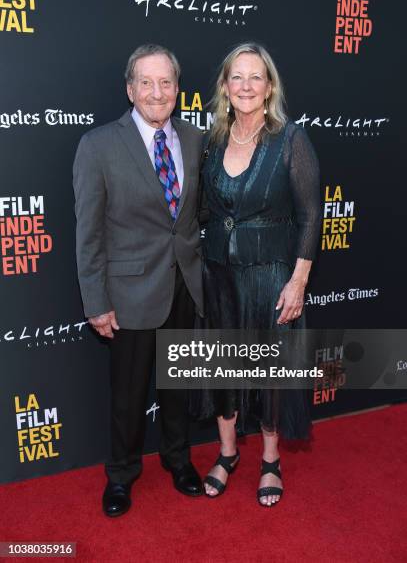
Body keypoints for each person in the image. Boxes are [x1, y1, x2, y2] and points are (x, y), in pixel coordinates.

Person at [73, 44, 204, 517]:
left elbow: (193, 215)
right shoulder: (98, 145)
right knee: (128, 397)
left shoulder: (194, 139)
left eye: (166, 82)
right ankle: (121, 475)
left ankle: (178, 461)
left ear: (177, 89)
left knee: (179, 387)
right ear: (130, 89)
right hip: (127, 293)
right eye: (146, 82)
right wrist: (96, 300)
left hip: (185, 285)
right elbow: (88, 232)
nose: (156, 92)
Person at [195, 42, 321, 507]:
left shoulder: (291, 139)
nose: (246, 86)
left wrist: (299, 281)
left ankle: (270, 460)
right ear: (225, 87)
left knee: (270, 372)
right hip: (218, 276)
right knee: (223, 368)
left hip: (271, 276)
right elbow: (204, 210)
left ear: (269, 87)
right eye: (237, 77)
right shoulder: (212, 141)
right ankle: (227, 453)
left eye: (255, 77)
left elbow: (311, 216)